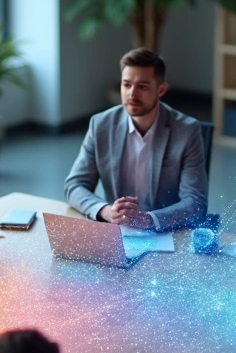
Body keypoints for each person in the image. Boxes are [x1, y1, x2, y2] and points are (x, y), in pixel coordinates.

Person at [64, 48, 207, 231]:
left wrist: (149, 220)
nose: (132, 94)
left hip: (165, 231)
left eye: (143, 86)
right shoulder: (100, 125)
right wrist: (106, 211)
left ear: (161, 90)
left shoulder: (186, 131)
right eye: (126, 84)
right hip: (116, 230)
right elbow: (74, 185)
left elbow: (195, 202)